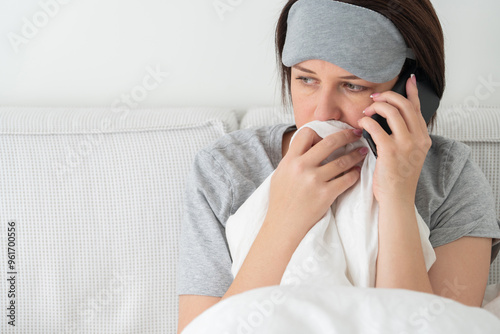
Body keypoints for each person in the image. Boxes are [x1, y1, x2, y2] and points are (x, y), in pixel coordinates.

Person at [177, 0, 500, 332]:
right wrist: (283, 220)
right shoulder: (225, 169)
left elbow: (430, 326)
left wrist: (397, 199)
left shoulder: (450, 177)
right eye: (306, 80)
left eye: (353, 85)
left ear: (413, 87)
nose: (322, 112)